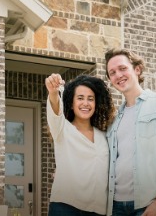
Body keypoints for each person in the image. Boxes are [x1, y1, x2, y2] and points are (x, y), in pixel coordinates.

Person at [104, 48, 156, 216]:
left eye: (122, 68)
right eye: (112, 72)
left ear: (137, 69)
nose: (118, 75)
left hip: (148, 206)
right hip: (115, 207)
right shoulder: (114, 119)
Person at [45, 74, 116, 216]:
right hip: (65, 207)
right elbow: (55, 109)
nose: (85, 103)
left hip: (99, 210)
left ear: (96, 104)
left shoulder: (105, 136)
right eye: (80, 98)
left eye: (90, 99)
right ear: (71, 103)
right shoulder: (62, 129)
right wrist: (53, 92)